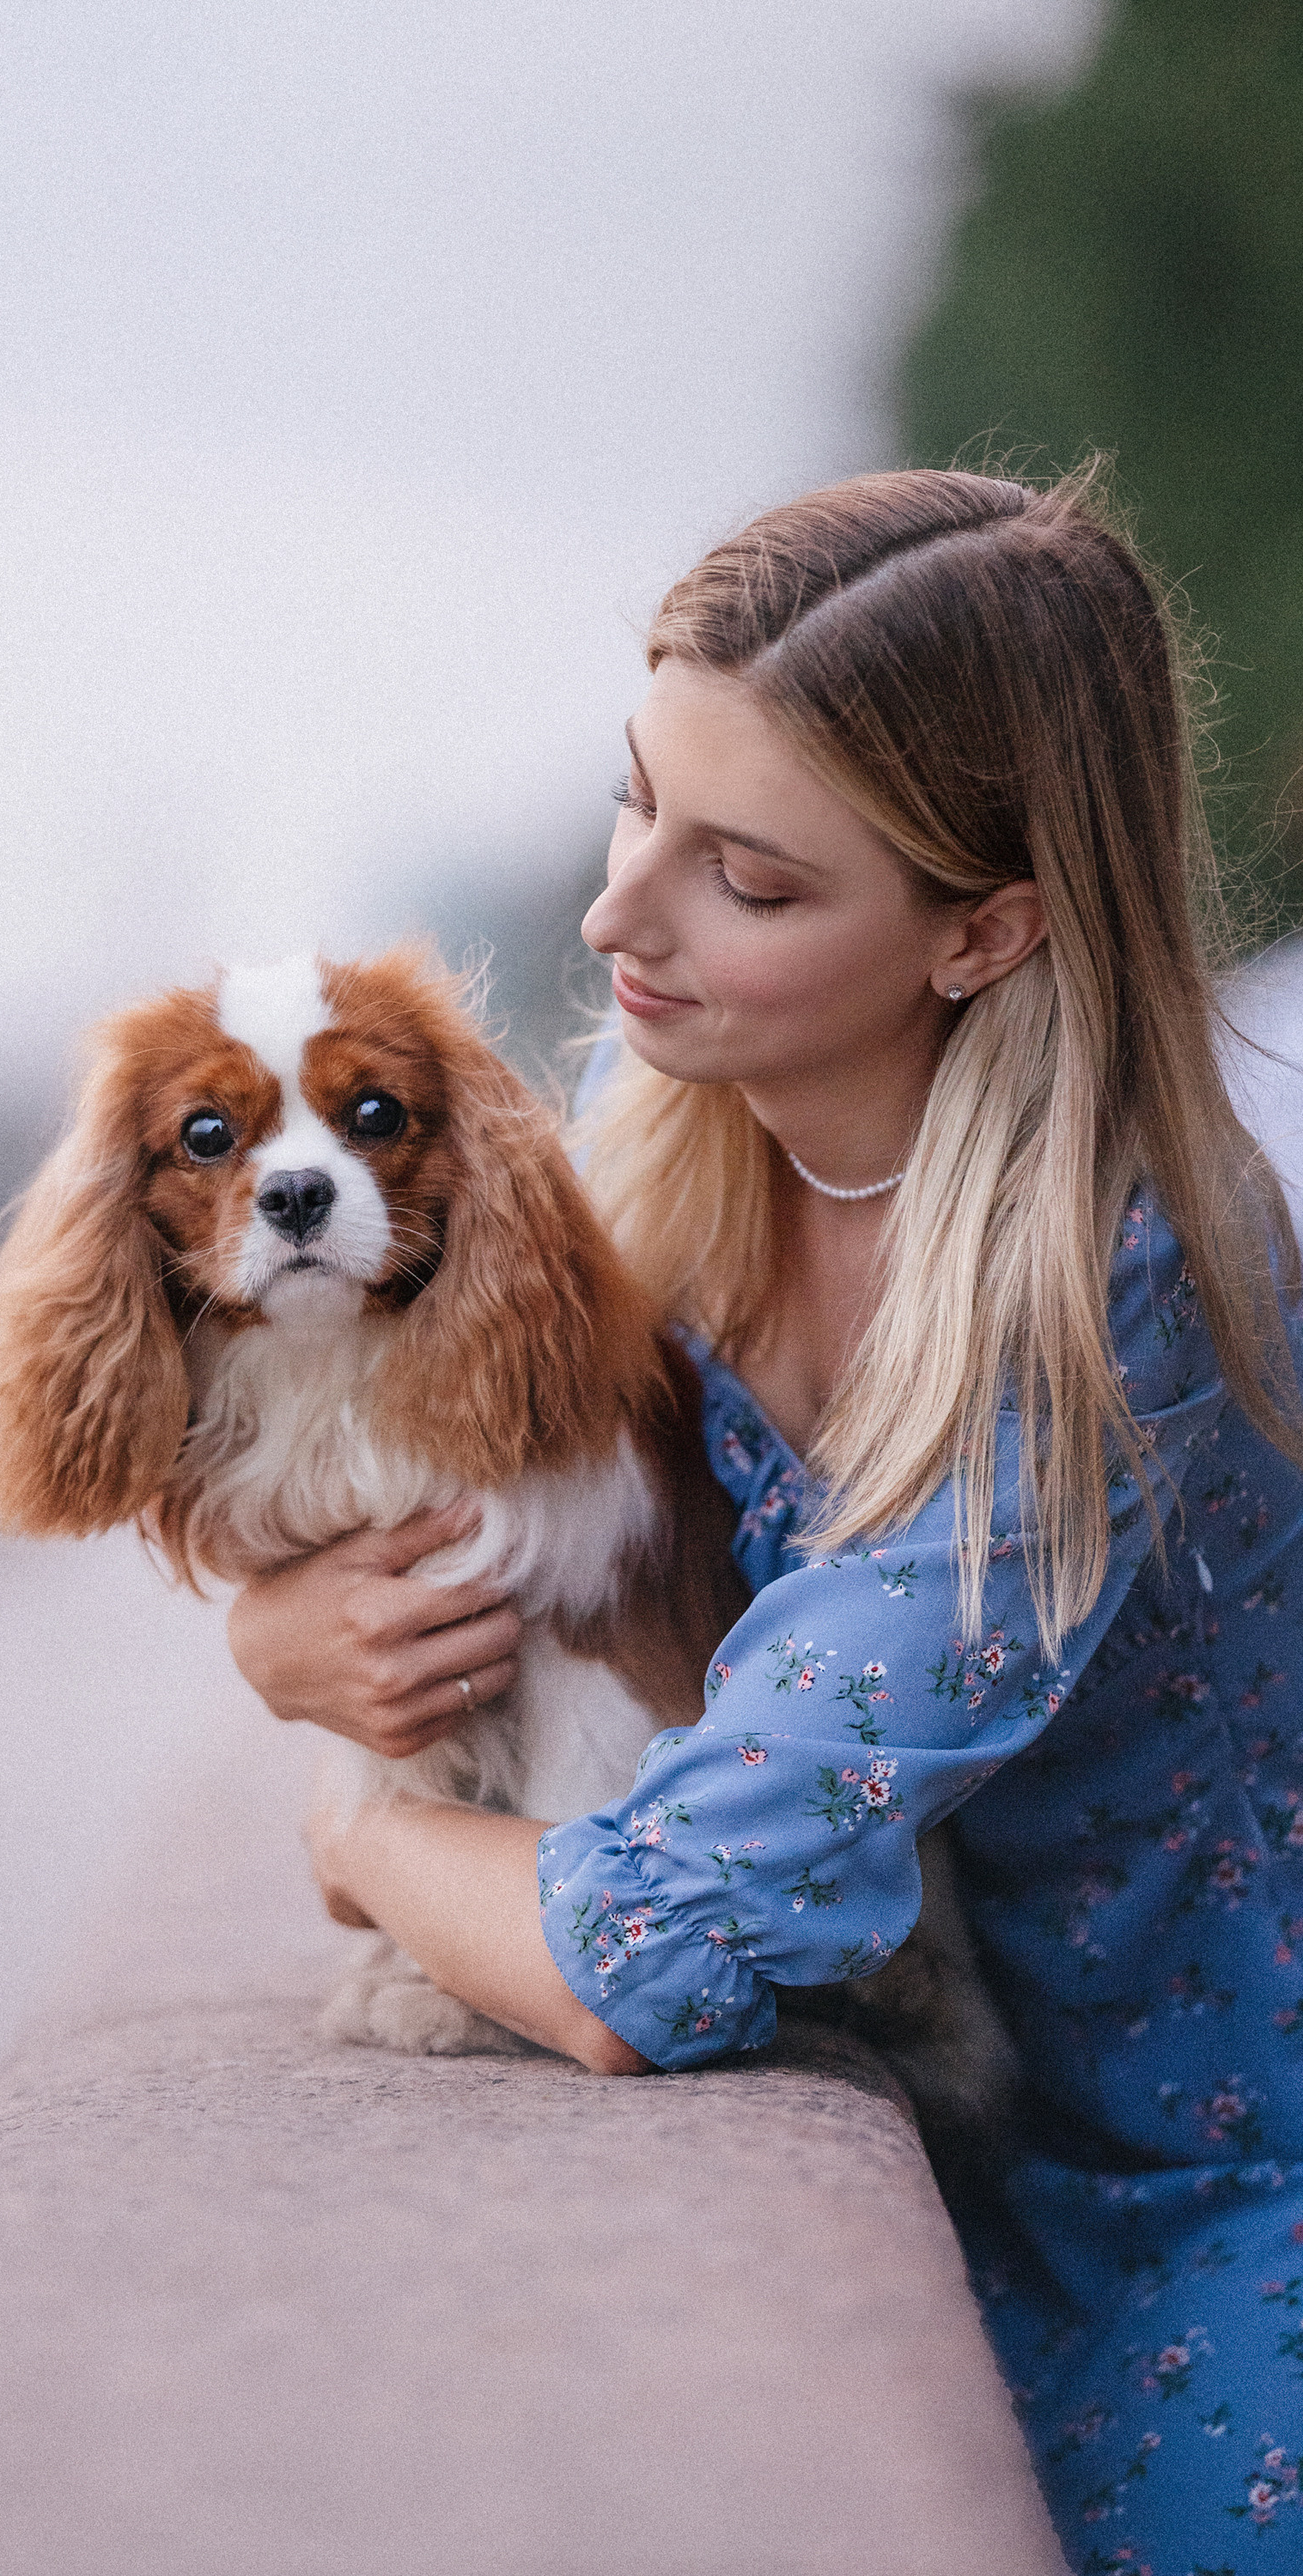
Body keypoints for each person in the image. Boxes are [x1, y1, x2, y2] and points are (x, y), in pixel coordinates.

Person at [227, 466, 1303, 2568]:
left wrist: (355, 1835)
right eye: (639, 807)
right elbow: (360, 1495)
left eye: (747, 879)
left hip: (1222, 2205)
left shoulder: (1113, 1292)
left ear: (985, 928)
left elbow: (657, 1945)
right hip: (955, 2148)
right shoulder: (657, 1179)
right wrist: (279, 1643)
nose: (623, 916)